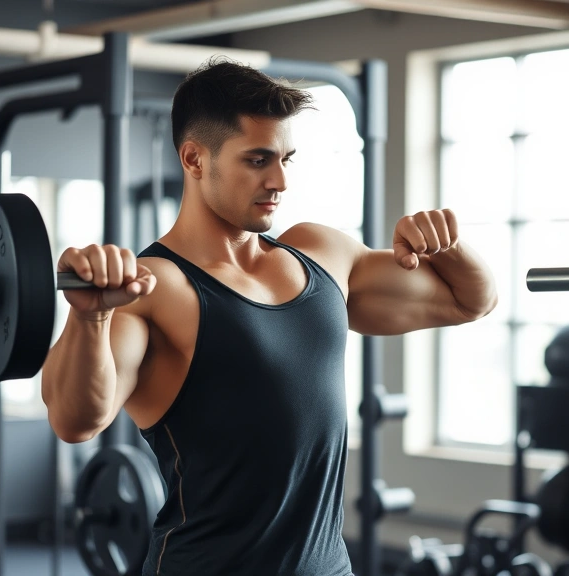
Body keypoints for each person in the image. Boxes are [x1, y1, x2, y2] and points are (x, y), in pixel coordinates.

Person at [41, 60, 497, 576]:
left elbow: (469, 300)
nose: (279, 181)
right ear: (194, 159)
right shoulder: (153, 287)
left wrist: (447, 243)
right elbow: (75, 421)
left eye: (286, 159)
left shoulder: (321, 254)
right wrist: (91, 319)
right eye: (258, 160)